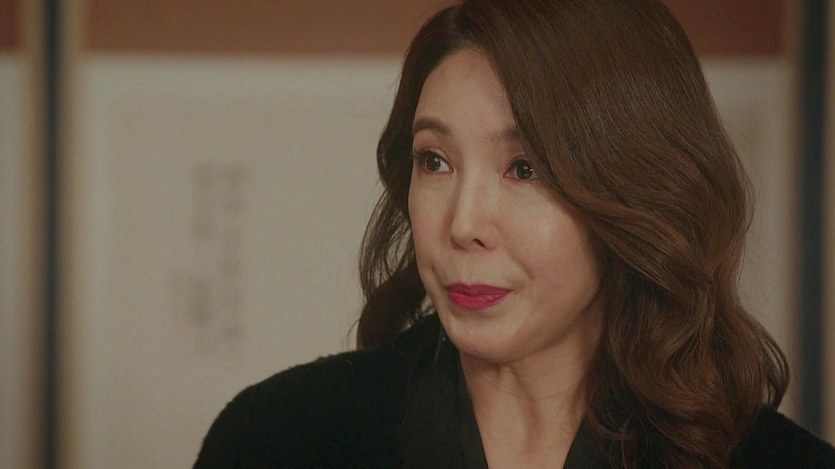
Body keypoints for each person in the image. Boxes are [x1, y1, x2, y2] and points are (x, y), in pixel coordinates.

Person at [195, 0, 835, 467]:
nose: (463, 225)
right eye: (435, 161)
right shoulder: (278, 439)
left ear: (637, 191)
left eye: (525, 169)